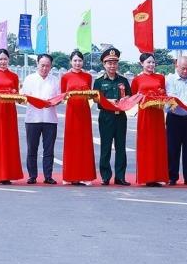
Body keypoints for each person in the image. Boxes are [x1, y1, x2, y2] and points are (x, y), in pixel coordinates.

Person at [0, 48, 23, 184]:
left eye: (5, 59)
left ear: (9, 60)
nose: (3, 62)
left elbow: (17, 95)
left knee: (10, 142)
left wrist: (16, 96)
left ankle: (9, 174)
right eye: (0, 59)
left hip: (10, 112)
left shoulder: (14, 76)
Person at [93, 47, 131, 186]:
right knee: (106, 147)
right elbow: (96, 99)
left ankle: (120, 177)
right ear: (104, 64)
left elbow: (129, 96)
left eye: (115, 63)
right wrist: (109, 101)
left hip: (120, 117)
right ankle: (105, 176)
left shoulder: (123, 80)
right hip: (106, 117)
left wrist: (125, 100)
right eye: (109, 63)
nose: (112, 66)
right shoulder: (98, 81)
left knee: (121, 147)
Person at [21, 53, 60, 184]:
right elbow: (24, 97)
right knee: (32, 149)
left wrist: (54, 102)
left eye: (47, 66)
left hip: (50, 119)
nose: (44, 68)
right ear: (37, 64)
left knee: (49, 150)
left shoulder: (55, 80)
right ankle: (32, 175)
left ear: (51, 66)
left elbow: (59, 98)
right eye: (42, 65)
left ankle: (48, 176)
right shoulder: (29, 79)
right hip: (33, 119)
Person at [60, 50, 97, 185]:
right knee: (71, 143)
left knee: (85, 143)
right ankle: (69, 176)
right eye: (75, 60)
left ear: (83, 62)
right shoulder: (65, 77)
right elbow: (63, 95)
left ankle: (85, 176)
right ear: (71, 61)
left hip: (84, 111)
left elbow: (90, 94)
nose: (77, 63)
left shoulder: (88, 76)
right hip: (72, 112)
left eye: (80, 60)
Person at [132, 52, 169, 186]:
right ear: (142, 63)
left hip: (158, 114)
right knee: (146, 145)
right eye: (148, 62)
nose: (151, 65)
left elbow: (163, 93)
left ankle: (158, 176)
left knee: (158, 144)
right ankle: (146, 177)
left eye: (153, 62)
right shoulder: (137, 79)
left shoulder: (160, 78)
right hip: (145, 115)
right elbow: (134, 96)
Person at [165, 56, 187, 186]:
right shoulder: (169, 79)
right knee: (172, 149)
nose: (185, 71)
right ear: (177, 66)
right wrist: (185, 103)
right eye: (183, 68)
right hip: (174, 118)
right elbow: (171, 95)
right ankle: (172, 177)